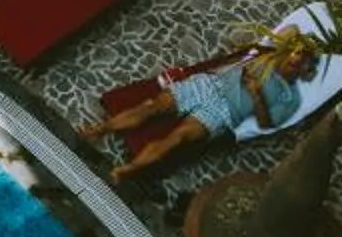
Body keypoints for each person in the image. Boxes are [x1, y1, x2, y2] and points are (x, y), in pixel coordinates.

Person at [81, 28, 324, 180]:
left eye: (305, 65)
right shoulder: (268, 57)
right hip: (209, 84)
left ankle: (128, 170)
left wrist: (256, 94)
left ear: (307, 73)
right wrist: (302, 44)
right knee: (152, 107)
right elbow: (290, 30)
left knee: (177, 137)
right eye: (298, 55)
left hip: (224, 111)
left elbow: (265, 123)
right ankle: (97, 131)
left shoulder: (290, 98)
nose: (298, 61)